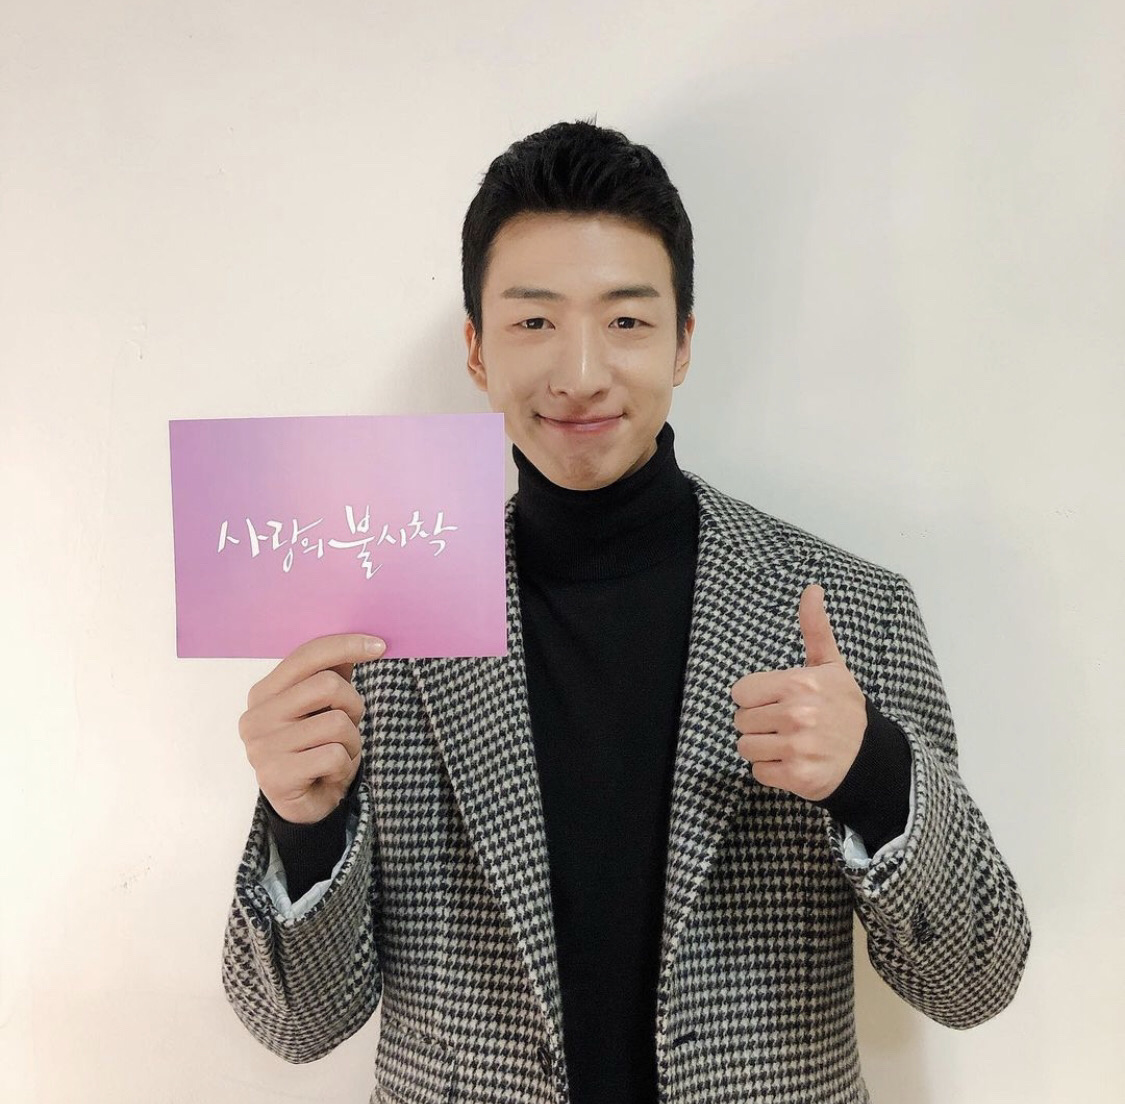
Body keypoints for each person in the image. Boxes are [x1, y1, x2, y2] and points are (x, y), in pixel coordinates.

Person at [222, 119, 1031, 1103]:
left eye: (627, 322)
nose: (579, 374)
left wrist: (872, 775)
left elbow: (976, 979)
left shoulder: (852, 608)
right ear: (476, 350)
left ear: (683, 342)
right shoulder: (375, 629)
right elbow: (297, 1026)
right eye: (533, 323)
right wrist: (303, 825)